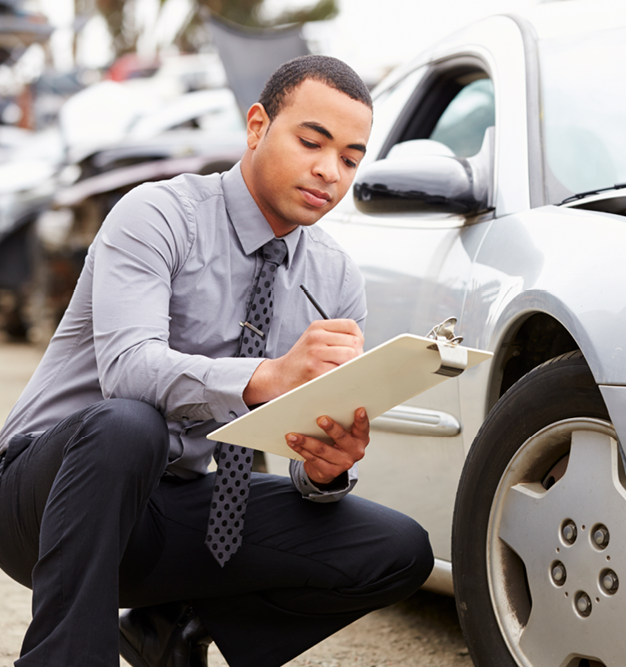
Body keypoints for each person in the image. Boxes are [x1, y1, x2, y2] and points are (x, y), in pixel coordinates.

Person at [0, 55, 434, 667]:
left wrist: (326, 467)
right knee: (129, 423)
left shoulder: (334, 278)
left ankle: (171, 626)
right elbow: (128, 369)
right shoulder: (155, 215)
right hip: (43, 499)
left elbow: (310, 439)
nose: (328, 171)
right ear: (257, 126)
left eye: (349, 159)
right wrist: (269, 377)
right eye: (312, 141)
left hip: (173, 507)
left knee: (398, 547)